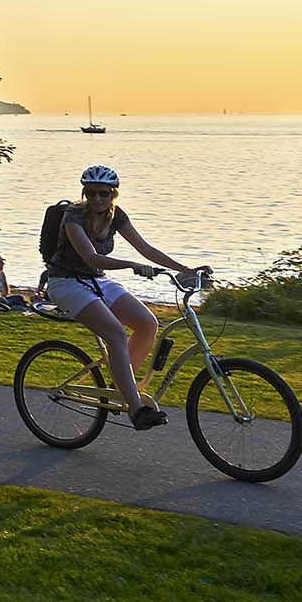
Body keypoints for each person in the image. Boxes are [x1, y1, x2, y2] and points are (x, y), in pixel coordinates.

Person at [47, 165, 208, 431]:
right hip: (65, 282)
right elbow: (91, 258)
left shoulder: (116, 215)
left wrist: (186, 270)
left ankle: (121, 387)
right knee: (116, 333)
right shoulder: (73, 215)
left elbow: (146, 249)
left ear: (114, 194)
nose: (97, 199)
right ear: (84, 192)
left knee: (147, 323)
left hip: (96, 280)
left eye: (103, 193)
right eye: (91, 192)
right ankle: (136, 410)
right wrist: (131, 265)